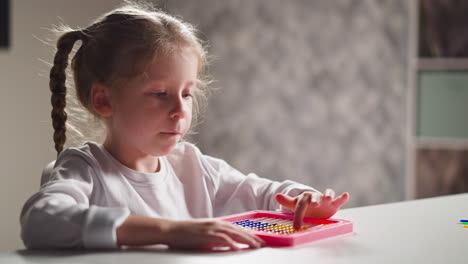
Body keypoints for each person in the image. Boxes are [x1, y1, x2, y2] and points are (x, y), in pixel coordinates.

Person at [20, 1, 349, 251]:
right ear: (104, 100)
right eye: (160, 94)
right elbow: (41, 220)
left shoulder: (192, 165)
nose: (179, 110)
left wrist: (303, 199)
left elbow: (261, 193)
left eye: (187, 93)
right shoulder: (85, 169)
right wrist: (168, 230)